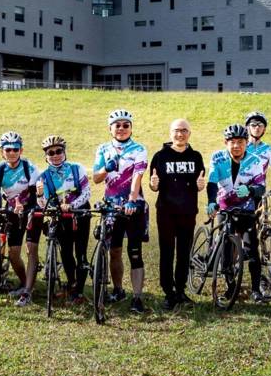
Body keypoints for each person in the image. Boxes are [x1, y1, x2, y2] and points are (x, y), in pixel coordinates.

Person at [92, 108, 149, 314]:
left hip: (133, 205)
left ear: (131, 128)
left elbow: (137, 176)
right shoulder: (103, 149)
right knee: (114, 250)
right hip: (111, 205)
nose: (122, 129)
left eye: (126, 125)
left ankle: (137, 297)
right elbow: (96, 179)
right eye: (118, 125)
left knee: (134, 252)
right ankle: (118, 290)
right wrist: (106, 168)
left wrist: (132, 200)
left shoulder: (139, 149)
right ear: (110, 128)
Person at [207, 124, 270, 302]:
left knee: (252, 248)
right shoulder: (217, 158)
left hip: (246, 209)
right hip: (224, 207)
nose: (236, 146)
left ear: (246, 142)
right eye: (232, 142)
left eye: (240, 142)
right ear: (225, 143)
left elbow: (261, 187)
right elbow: (212, 181)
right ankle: (230, 286)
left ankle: (256, 290)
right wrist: (212, 201)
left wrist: (250, 190)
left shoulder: (256, 160)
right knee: (226, 247)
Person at [148, 118, 206, 310]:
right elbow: (153, 183)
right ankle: (168, 292)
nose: (180, 134)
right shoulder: (160, 156)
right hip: (166, 212)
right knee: (167, 251)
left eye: (184, 130)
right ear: (170, 132)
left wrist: (200, 186)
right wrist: (153, 185)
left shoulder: (196, 156)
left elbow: (200, 180)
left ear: (189, 133)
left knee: (184, 252)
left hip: (188, 212)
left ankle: (180, 290)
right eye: (176, 130)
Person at [35, 135, 92, 306]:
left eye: (59, 151)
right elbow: (43, 204)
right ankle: (72, 284)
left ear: (64, 152)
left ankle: (79, 291)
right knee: (66, 253)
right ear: (46, 156)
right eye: (51, 153)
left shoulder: (76, 168)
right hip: (59, 217)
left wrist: (72, 205)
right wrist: (39, 195)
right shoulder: (43, 176)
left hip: (80, 213)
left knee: (80, 251)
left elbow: (87, 192)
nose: (55, 155)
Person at [0, 131, 38, 306]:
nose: (12, 152)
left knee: (30, 249)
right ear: (2, 151)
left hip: (30, 209)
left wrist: (22, 204)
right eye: (8, 149)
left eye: (16, 149)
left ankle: (29, 288)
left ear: (21, 150)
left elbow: (33, 195)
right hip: (12, 211)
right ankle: (24, 283)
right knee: (14, 254)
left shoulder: (29, 167)